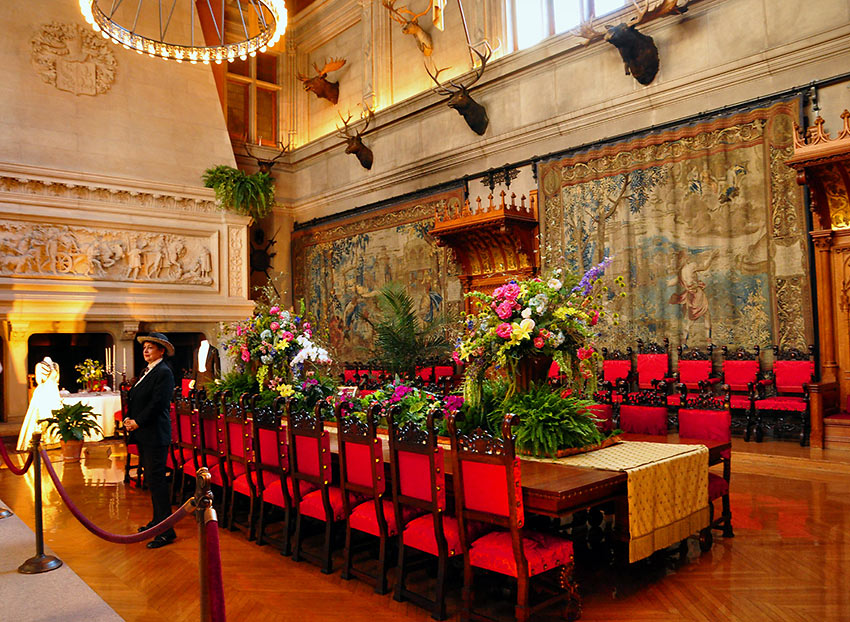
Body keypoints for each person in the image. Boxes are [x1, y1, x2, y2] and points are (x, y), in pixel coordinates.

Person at [123, 332, 176, 549]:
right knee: (152, 482)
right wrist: (128, 417)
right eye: (144, 347)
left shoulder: (164, 372)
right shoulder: (148, 370)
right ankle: (157, 522)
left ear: (161, 350)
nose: (146, 351)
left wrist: (138, 421)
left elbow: (158, 404)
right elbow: (137, 398)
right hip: (145, 433)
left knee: (157, 482)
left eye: (151, 347)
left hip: (155, 434)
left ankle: (167, 530)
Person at [17, 357, 62, 451]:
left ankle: (52, 440)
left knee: (50, 414)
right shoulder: (53, 366)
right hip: (49, 391)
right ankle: (45, 440)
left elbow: (39, 380)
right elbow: (56, 380)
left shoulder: (45, 365)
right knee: (41, 414)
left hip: (48, 390)